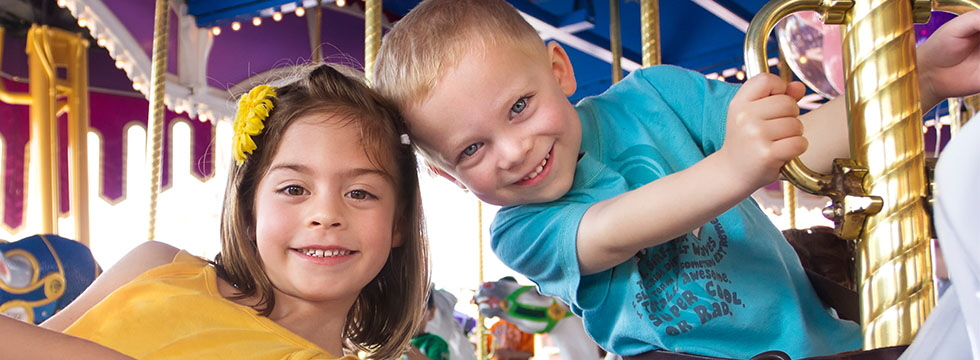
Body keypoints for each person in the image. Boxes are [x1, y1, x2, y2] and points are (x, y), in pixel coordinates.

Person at [372, 0, 980, 358]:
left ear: (558, 70)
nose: (512, 151)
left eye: (520, 107)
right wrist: (735, 165)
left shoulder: (657, 94)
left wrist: (918, 79)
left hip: (817, 345)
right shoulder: (521, 228)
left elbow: (794, 149)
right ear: (447, 177)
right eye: (472, 149)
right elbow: (617, 229)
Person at [0, 63, 430, 360]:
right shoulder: (156, 266)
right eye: (293, 189)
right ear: (248, 206)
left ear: (400, 223)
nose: (325, 214)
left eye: (361, 193)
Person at [406, 290, 451, 360]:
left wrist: (408, 350)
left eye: (420, 309)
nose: (413, 316)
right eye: (407, 310)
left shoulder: (436, 343)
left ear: (432, 313)